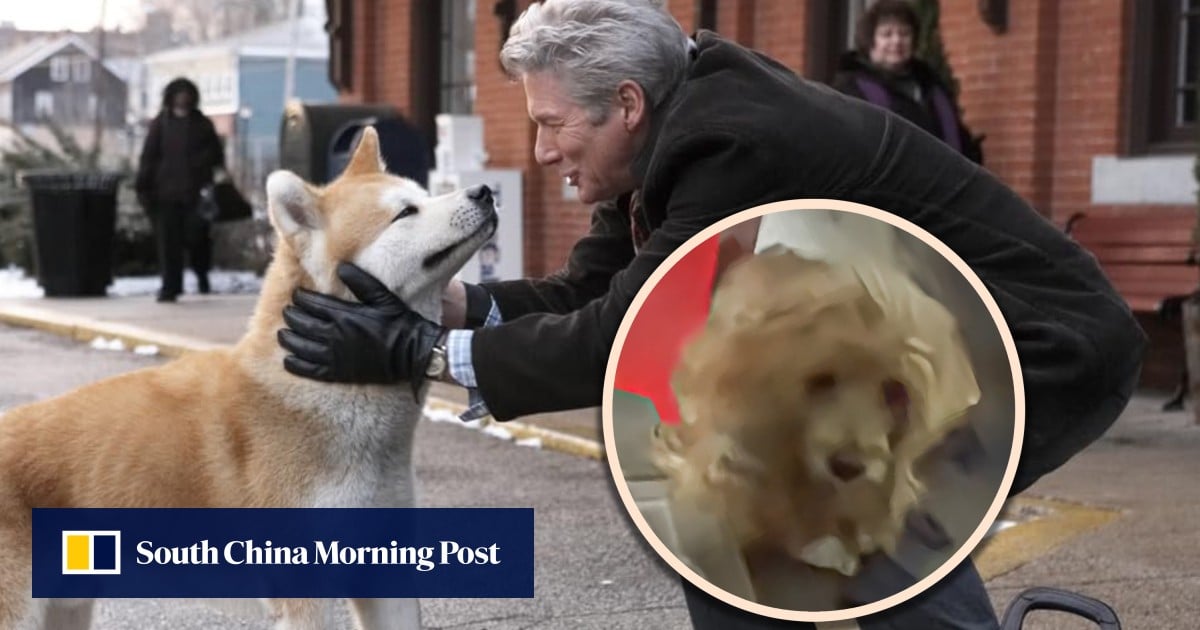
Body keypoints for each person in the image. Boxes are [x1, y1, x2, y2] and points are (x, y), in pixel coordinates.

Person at [276, 1, 1145, 627]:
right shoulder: (665, 133)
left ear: (625, 104)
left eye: (551, 125)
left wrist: (418, 352)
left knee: (834, 510)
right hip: (913, 336)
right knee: (761, 510)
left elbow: (622, 337)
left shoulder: (731, 142)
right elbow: (594, 294)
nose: (541, 154)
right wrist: (446, 303)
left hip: (1040, 345)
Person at [832, 0, 984, 164]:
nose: (897, 41)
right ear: (870, 42)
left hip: (943, 184)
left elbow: (959, 140)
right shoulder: (850, 89)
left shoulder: (931, 87)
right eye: (887, 34)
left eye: (904, 33)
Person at [134, 77, 225, 303]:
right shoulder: (160, 125)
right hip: (165, 195)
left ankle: (202, 274)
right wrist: (143, 186)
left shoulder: (202, 124)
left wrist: (202, 169)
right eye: (178, 93)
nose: (182, 98)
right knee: (168, 244)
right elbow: (149, 157)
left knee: (198, 239)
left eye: (186, 93)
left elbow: (217, 156)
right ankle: (170, 287)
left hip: (196, 195)